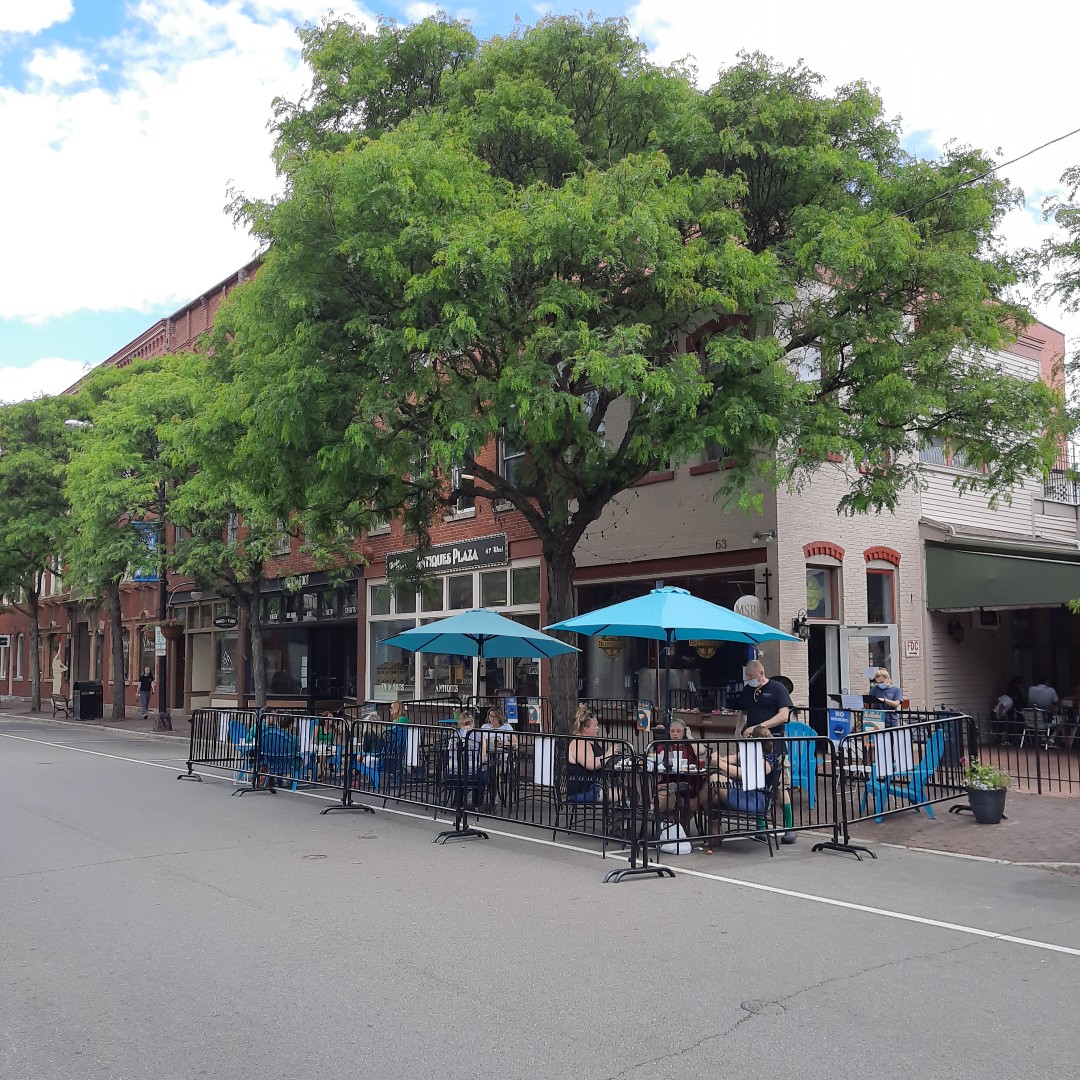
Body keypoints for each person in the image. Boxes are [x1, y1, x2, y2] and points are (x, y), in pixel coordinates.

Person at [740, 659, 796, 844]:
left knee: (780, 784)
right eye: (747, 677)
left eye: (751, 676)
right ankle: (761, 826)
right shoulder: (748, 691)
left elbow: (783, 715)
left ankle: (789, 827)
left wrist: (759, 727)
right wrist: (738, 731)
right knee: (757, 784)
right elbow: (743, 713)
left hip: (774, 741)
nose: (748, 680)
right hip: (753, 744)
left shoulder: (778, 688)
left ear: (760, 673)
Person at [706, 726, 777, 817]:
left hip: (754, 800)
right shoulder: (753, 752)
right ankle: (713, 827)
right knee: (709, 796)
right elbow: (734, 758)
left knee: (714, 779)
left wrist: (720, 764)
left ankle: (693, 804)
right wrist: (719, 758)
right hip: (742, 791)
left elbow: (743, 773)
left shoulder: (764, 762)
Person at [651, 717, 707, 830]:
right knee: (666, 795)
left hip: (689, 781)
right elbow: (656, 761)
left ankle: (680, 827)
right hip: (668, 779)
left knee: (692, 803)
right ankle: (671, 827)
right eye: (672, 731)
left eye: (678, 731)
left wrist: (690, 736)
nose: (675, 734)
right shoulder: (664, 745)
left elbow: (702, 751)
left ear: (684, 732)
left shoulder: (689, 745)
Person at [566, 705, 621, 802]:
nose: (598, 728)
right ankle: (622, 816)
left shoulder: (589, 741)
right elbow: (592, 765)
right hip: (585, 790)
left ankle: (620, 815)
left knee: (632, 785)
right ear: (586, 729)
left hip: (596, 784)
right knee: (631, 793)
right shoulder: (580, 743)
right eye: (595, 726)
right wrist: (608, 753)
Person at [447, 709, 488, 809]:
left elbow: (449, 751)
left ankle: (458, 801)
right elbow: (482, 757)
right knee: (482, 774)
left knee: (460, 774)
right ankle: (477, 803)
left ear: (460, 723)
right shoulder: (479, 735)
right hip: (473, 773)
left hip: (452, 772)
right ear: (473, 722)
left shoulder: (454, 734)